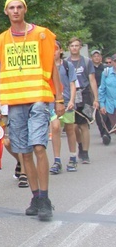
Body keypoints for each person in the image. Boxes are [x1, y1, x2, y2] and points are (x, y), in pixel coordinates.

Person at [0, 0, 64, 221]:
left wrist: (59, 98)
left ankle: (45, 198)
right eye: (11, 8)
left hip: (38, 98)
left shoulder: (41, 34)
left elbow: (51, 67)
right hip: (15, 102)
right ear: (6, 12)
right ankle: (35, 197)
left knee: (39, 147)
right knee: (24, 152)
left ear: (25, 10)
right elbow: (2, 73)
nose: (15, 11)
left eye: (19, 7)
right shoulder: (1, 40)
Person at [66, 37, 99, 164]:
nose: (74, 48)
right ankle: (79, 144)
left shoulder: (87, 61)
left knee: (84, 124)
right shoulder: (66, 62)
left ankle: (85, 152)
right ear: (69, 48)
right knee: (73, 126)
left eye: (76, 45)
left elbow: (92, 80)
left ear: (80, 47)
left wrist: (96, 98)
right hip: (71, 95)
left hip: (84, 94)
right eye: (72, 46)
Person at [49, 41, 77, 174]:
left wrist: (72, 100)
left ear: (60, 51)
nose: (53, 52)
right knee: (55, 129)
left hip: (66, 102)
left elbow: (72, 84)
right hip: (52, 103)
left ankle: (72, 156)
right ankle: (57, 160)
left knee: (70, 128)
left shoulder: (67, 65)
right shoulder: (47, 66)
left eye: (55, 49)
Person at [91, 49, 112, 145]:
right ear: (92, 58)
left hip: (105, 92)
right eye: (94, 56)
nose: (96, 58)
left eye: (98, 56)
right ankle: (103, 132)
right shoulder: (90, 68)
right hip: (93, 93)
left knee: (106, 112)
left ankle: (107, 132)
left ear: (101, 57)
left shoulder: (105, 69)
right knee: (98, 114)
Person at [98, 54, 116, 130]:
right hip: (111, 105)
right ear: (112, 62)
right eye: (115, 61)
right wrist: (102, 105)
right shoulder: (106, 73)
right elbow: (102, 89)